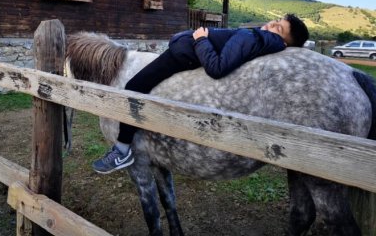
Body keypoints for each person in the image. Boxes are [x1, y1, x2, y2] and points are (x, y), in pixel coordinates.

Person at [93, 14, 309, 174]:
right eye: (276, 20)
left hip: (181, 55)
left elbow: (217, 67)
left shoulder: (252, 37)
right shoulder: (259, 38)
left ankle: (122, 151)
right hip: (184, 51)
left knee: (134, 87)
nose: (271, 24)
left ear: (283, 42)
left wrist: (200, 39)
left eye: (278, 28)